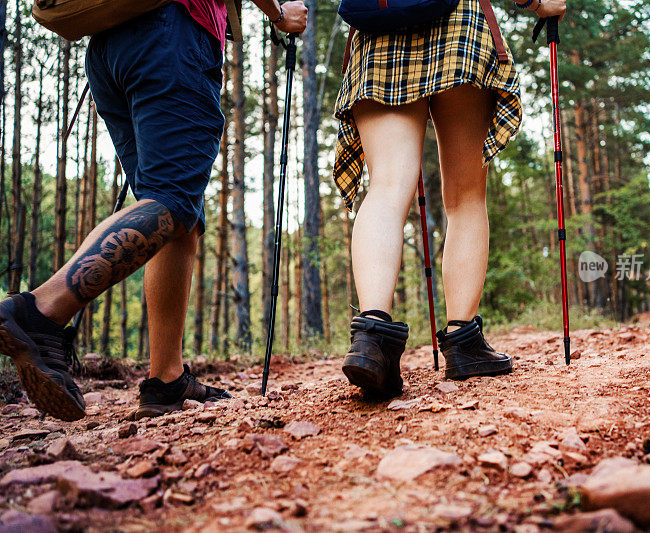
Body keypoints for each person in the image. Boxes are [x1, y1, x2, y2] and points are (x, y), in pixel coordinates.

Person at [0, 0, 307, 422]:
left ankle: (166, 379)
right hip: (172, 34)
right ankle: (40, 311)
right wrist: (279, 13)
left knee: (176, 217)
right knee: (173, 200)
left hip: (109, 46)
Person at [335, 0, 567, 397]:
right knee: (465, 198)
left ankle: (372, 340)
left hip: (377, 33)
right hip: (458, 25)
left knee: (387, 188)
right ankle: (464, 344)